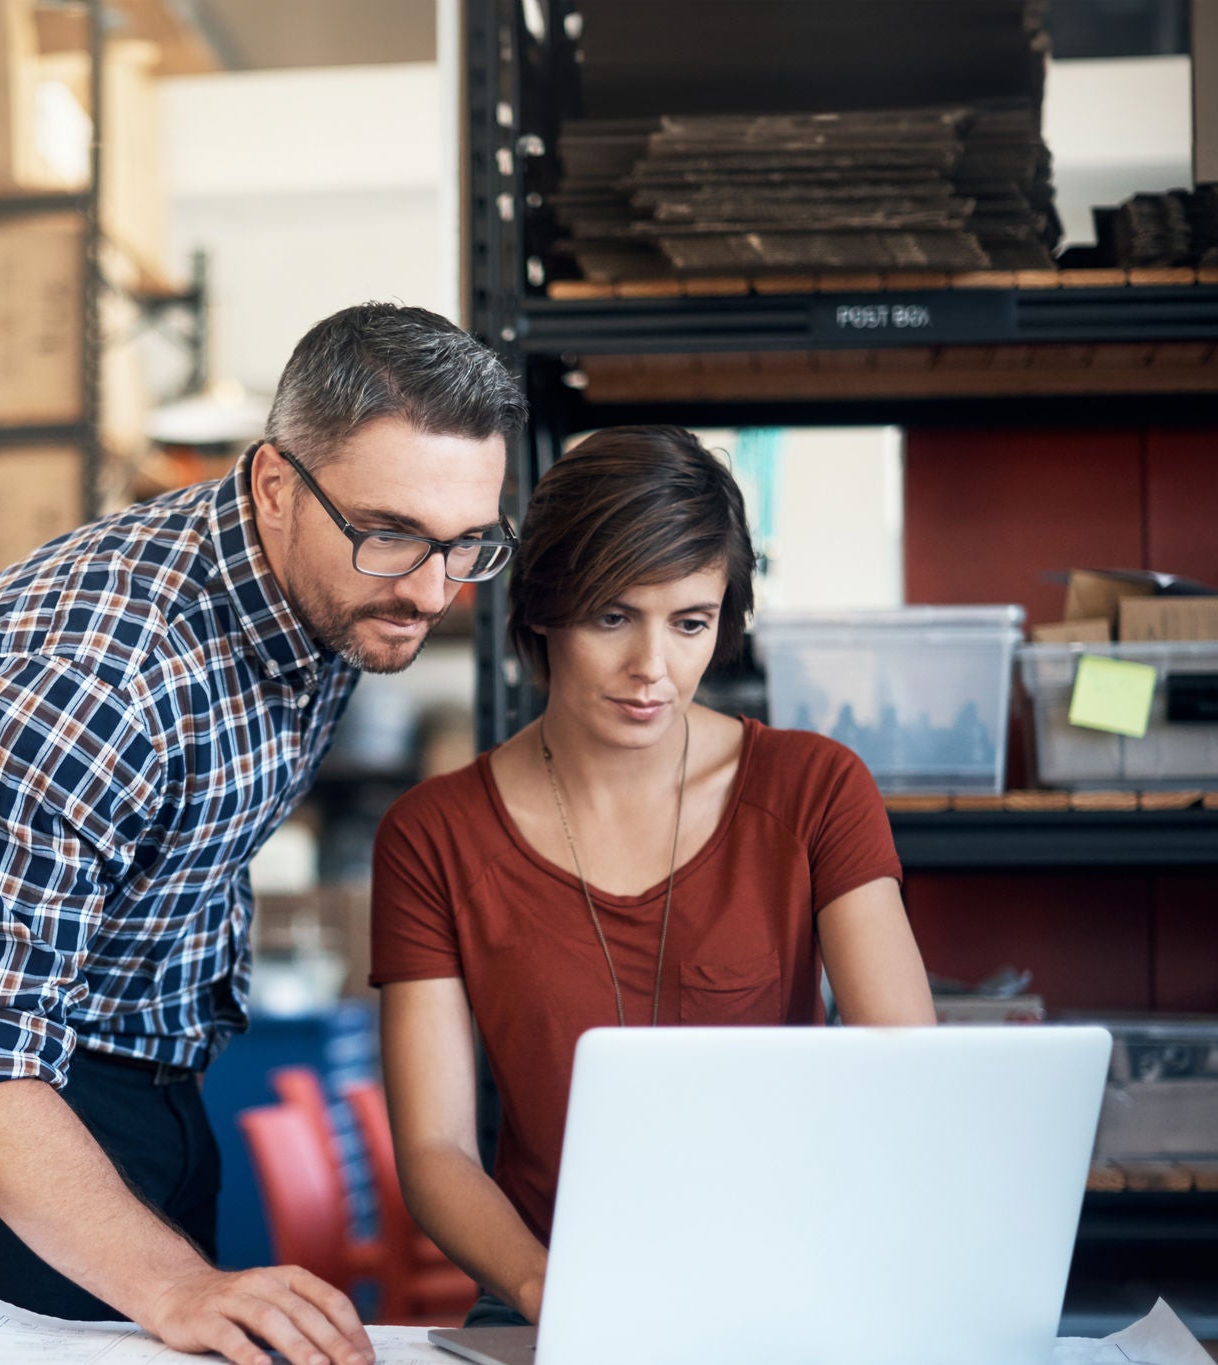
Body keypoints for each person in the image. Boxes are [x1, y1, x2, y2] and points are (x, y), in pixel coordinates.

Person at [0, 302, 528, 1365]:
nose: (432, 591)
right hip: (4, 1095)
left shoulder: (333, 585)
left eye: (464, 544)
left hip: (155, 1064)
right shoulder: (89, 677)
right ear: (271, 486)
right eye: (391, 535)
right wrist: (172, 1283)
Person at [369, 425, 936, 1331]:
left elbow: (910, 1081)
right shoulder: (433, 836)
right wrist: (543, 1288)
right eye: (611, 616)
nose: (652, 670)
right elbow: (437, 1149)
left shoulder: (816, 789)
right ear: (544, 609)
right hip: (546, 1295)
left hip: (787, 1290)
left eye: (690, 623)